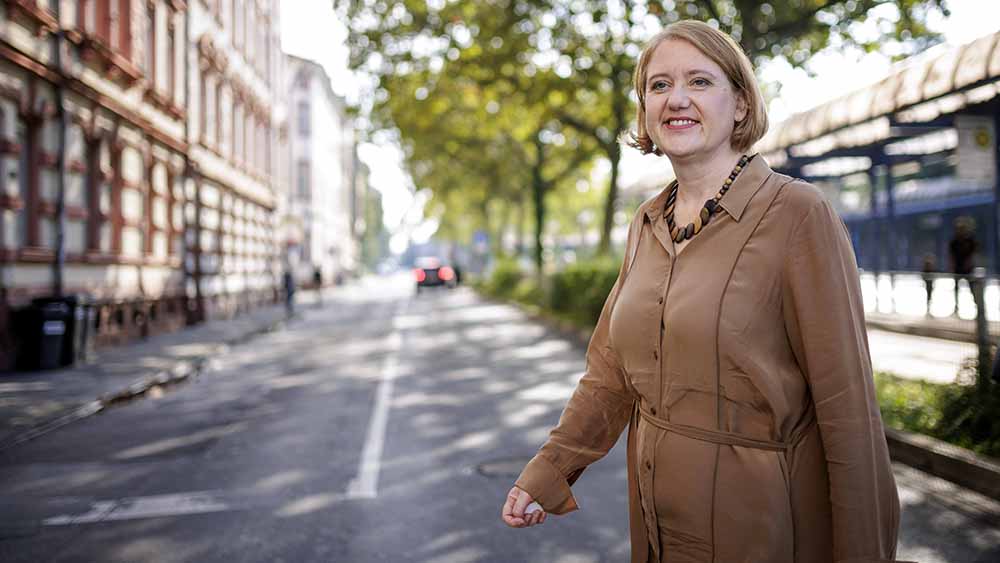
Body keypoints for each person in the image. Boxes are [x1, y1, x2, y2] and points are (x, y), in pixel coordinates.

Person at [501, 21, 904, 563]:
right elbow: (609, 375)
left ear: (740, 103)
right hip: (656, 528)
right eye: (659, 85)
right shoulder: (647, 222)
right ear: (645, 109)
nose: (676, 99)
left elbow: (848, 412)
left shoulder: (798, 213)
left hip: (762, 532)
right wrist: (548, 470)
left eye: (699, 81)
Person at [948, 216, 978, 316]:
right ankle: (956, 308)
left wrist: (969, 263)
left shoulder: (970, 240)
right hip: (958, 268)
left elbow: (974, 253)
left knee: (972, 288)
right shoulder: (954, 242)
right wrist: (952, 266)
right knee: (956, 289)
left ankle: (977, 306)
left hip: (968, 269)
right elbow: (951, 256)